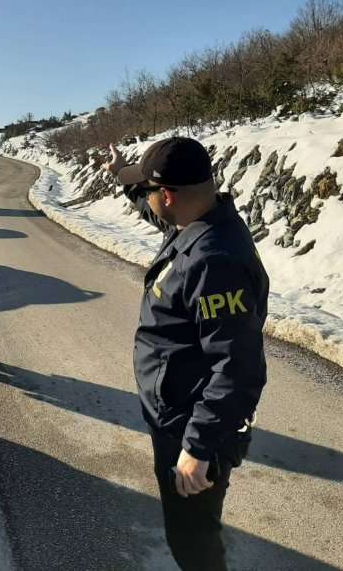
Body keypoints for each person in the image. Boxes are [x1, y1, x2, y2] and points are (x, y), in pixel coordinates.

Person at [103, 137, 269, 571]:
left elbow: (237, 367)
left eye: (152, 191)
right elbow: (152, 209)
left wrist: (198, 447)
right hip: (178, 414)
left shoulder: (215, 261)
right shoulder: (196, 223)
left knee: (192, 541)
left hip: (194, 427)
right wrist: (123, 174)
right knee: (191, 536)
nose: (149, 201)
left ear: (170, 195)